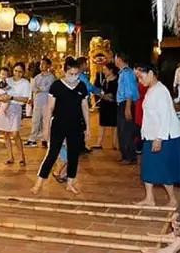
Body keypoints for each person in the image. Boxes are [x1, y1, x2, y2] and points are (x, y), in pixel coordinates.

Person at [32, 57, 91, 195]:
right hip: (58, 124)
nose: (74, 77)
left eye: (76, 74)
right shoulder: (57, 86)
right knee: (52, 154)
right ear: (65, 72)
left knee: (73, 155)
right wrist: (46, 129)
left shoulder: (81, 86)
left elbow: (84, 107)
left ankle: (70, 183)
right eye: (71, 74)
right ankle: (39, 182)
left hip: (76, 126)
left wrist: (88, 127)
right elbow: (49, 108)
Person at [134, 63, 180, 207]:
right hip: (151, 136)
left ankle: (172, 199)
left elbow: (165, 116)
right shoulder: (151, 90)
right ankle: (149, 198)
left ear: (151, 73)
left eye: (141, 76)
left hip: (164, 137)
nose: (140, 80)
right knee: (148, 168)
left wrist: (160, 138)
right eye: (137, 78)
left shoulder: (161, 91)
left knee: (164, 169)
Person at [0, 62, 31, 166]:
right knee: (5, 133)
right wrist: (1, 99)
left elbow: (25, 99)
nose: (17, 73)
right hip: (5, 106)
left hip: (16, 107)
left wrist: (12, 97)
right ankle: (10, 157)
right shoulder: (8, 80)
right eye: (15, 71)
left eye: (20, 71)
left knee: (15, 133)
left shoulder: (25, 83)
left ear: (23, 72)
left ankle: (21, 157)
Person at [25, 58, 55, 148]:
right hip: (38, 102)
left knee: (45, 121)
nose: (41, 66)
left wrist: (39, 88)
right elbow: (33, 88)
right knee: (35, 120)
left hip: (46, 102)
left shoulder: (51, 77)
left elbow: (47, 88)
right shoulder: (37, 77)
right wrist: (39, 89)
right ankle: (32, 139)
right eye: (40, 64)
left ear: (48, 65)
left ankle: (44, 139)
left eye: (44, 64)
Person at [115, 52, 139, 164]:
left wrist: (128, 107)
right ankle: (126, 155)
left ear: (120, 59)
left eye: (116, 58)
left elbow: (129, 92)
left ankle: (129, 156)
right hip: (123, 104)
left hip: (126, 103)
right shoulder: (123, 73)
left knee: (126, 131)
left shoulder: (127, 73)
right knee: (122, 130)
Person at [93, 63, 118, 150]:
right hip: (104, 104)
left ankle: (114, 144)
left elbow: (113, 94)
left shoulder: (116, 80)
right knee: (102, 123)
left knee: (114, 124)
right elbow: (100, 91)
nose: (104, 71)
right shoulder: (104, 80)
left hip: (113, 105)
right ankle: (99, 143)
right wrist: (103, 96)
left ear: (111, 70)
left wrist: (106, 96)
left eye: (105, 69)